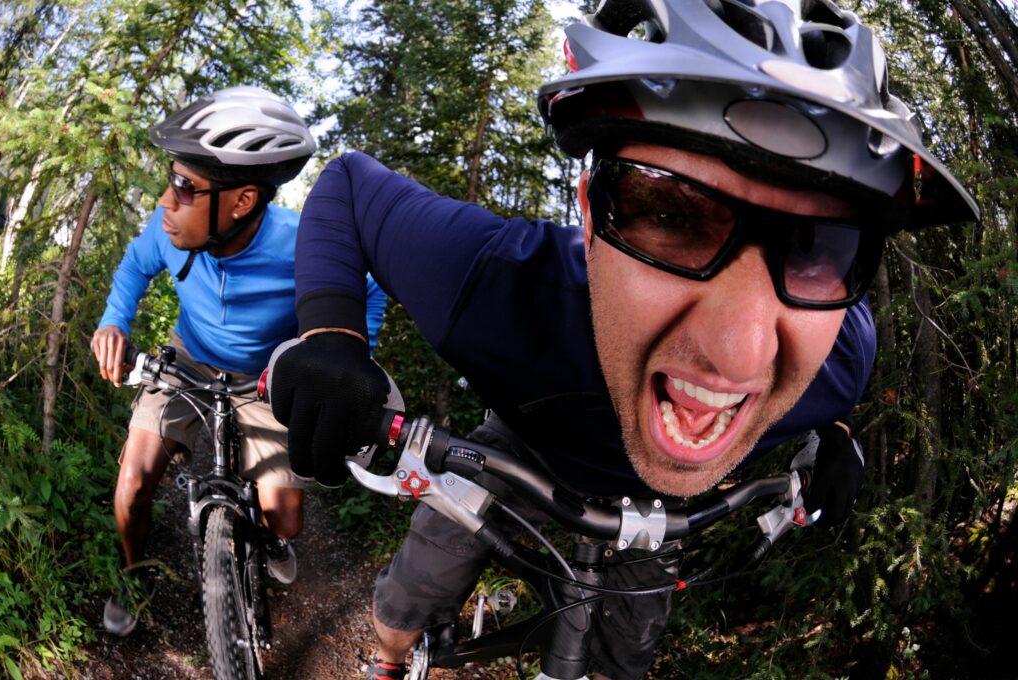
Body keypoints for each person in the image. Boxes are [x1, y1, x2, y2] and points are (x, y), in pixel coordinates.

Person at [270, 1, 979, 678]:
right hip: (519, 448)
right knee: (407, 603)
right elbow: (349, 188)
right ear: (588, 215)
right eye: (669, 213)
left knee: (622, 660)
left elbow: (845, 357)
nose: (739, 355)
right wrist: (332, 338)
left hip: (655, 515)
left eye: (820, 247)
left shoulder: (834, 359)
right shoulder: (501, 286)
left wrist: (837, 430)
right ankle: (388, 661)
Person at [91, 86, 387, 637]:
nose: (165, 201)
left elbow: (366, 291)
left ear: (242, 201)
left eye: (184, 187)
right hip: (190, 357)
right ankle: (133, 576)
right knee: (132, 482)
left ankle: (268, 536)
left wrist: (343, 351)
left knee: (288, 521)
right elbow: (134, 266)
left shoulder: (301, 242)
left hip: (270, 372)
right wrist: (114, 321)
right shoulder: (171, 232)